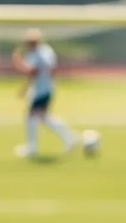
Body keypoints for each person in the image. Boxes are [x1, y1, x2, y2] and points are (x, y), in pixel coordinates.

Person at [12, 28, 78, 159]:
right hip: (45, 88)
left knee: (33, 118)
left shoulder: (37, 54)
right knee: (43, 118)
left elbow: (33, 72)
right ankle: (69, 137)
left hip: (42, 90)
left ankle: (32, 148)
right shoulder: (45, 51)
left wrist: (19, 64)